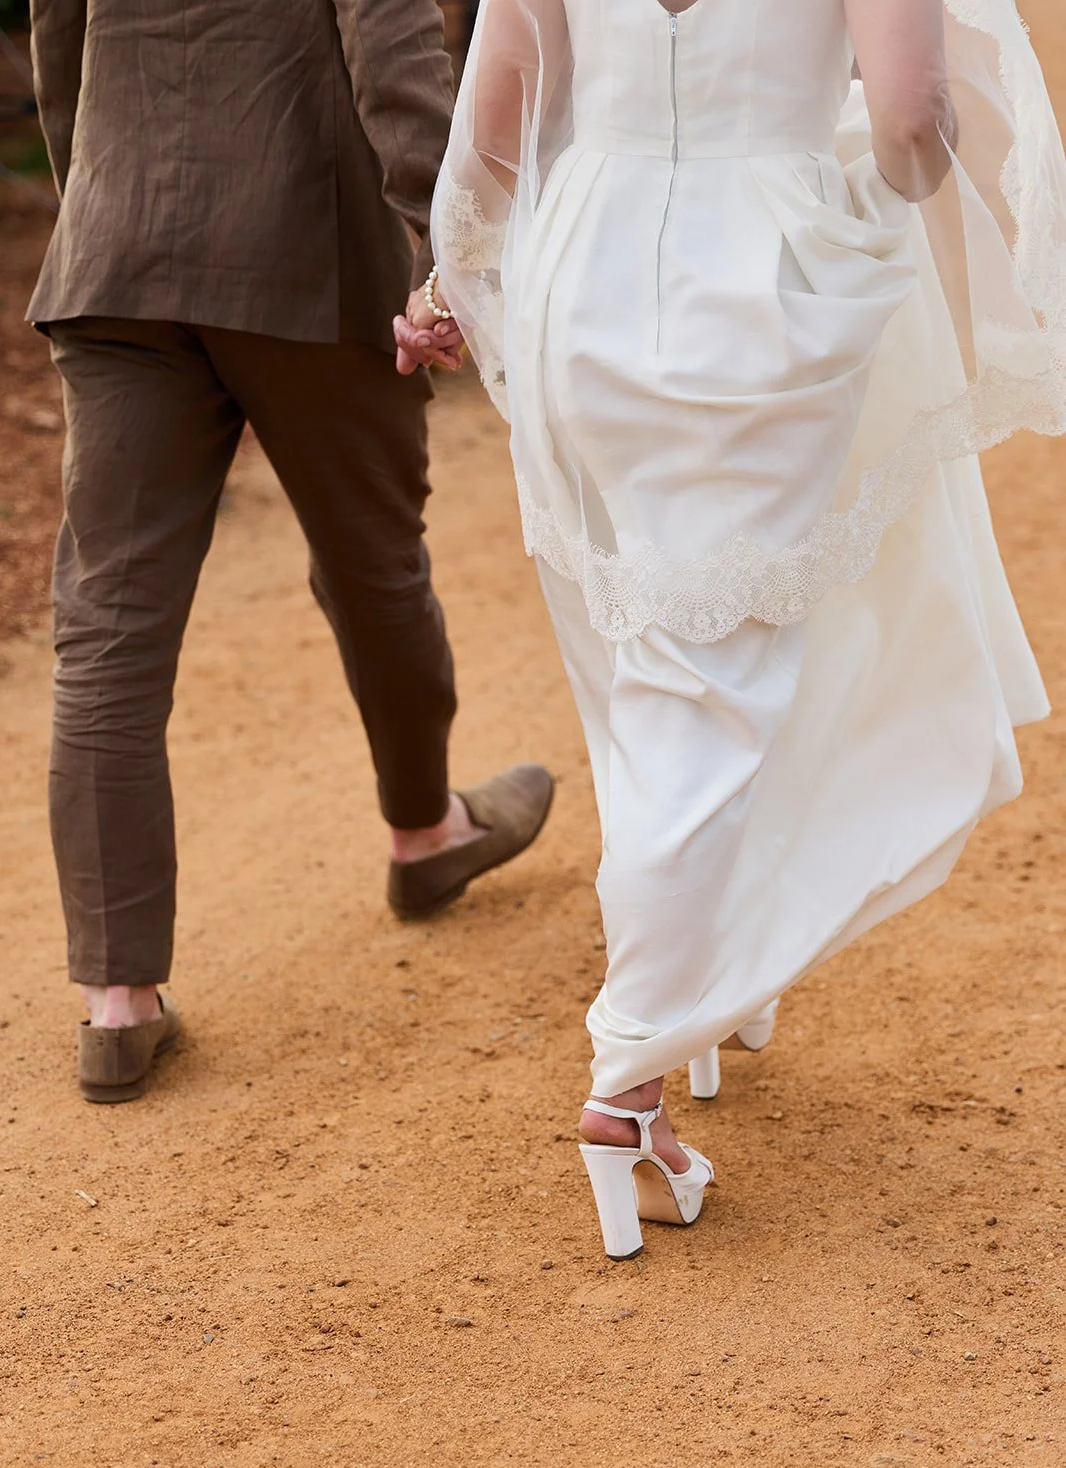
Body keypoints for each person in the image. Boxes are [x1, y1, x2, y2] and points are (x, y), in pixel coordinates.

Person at [423, 0, 1066, 1256]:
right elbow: (909, 121)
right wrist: (862, 217)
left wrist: (459, 277)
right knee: (714, 669)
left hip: (587, 269)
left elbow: (494, 124)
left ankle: (711, 978)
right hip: (760, 281)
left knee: (647, 650)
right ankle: (630, 1075)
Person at [27, 0, 554, 1105]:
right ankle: (422, 833)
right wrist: (440, 245)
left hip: (117, 250)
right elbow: (394, 43)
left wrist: (101, 195)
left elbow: (59, 38)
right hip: (305, 253)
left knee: (108, 630)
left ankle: (118, 1000)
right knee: (373, 563)